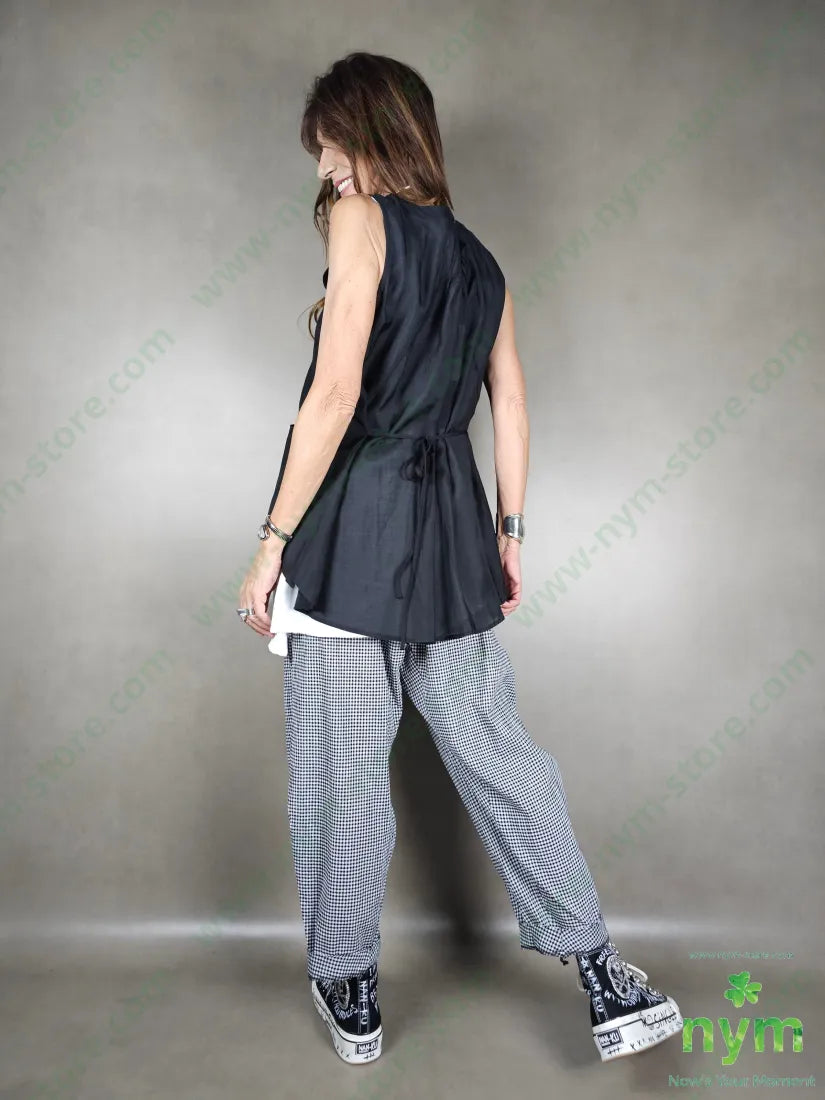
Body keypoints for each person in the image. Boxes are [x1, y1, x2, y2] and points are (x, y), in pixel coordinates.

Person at [237, 51, 684, 1067]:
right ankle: (603, 972)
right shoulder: (483, 264)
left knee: (343, 770)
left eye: (330, 149)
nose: (325, 172)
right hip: (451, 538)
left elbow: (337, 394)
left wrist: (271, 541)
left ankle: (350, 983)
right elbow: (511, 403)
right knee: (499, 755)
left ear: (366, 134)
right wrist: (509, 536)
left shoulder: (360, 220)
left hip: (352, 531)